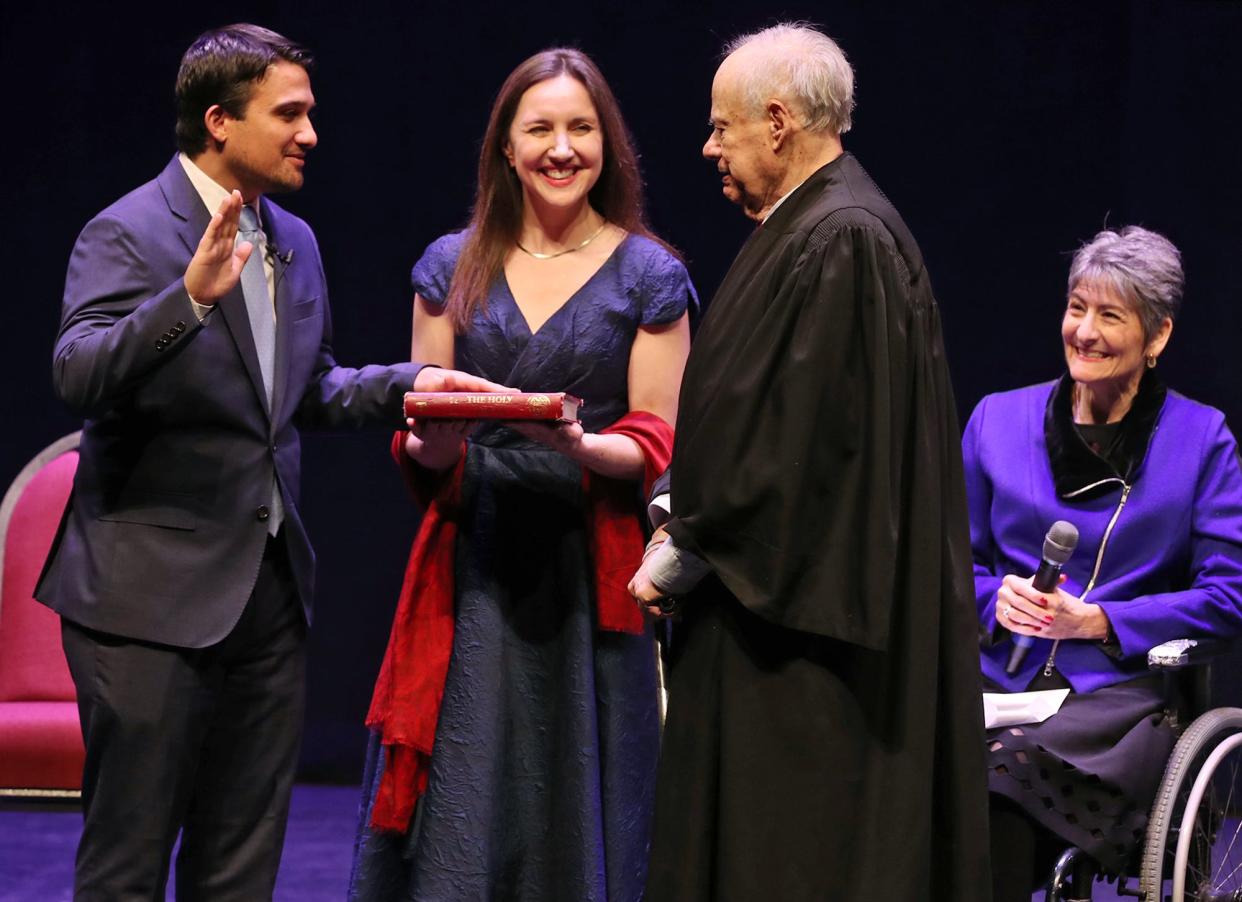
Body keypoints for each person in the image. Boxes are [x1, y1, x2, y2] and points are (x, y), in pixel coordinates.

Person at [35, 24, 500, 901]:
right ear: (218, 121)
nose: (310, 134)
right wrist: (187, 301)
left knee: (240, 862)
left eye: (310, 114)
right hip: (145, 604)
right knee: (127, 863)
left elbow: (303, 390)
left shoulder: (294, 238)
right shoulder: (129, 231)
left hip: (266, 594)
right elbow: (77, 374)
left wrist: (417, 382)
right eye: (288, 114)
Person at [628, 23, 991, 901]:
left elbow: (810, 454)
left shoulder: (842, 238)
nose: (710, 146)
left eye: (724, 127)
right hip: (769, 616)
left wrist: (685, 542)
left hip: (801, 647)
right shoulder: (814, 225)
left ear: (779, 121)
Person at [349, 48, 694, 901]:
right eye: (539, 128)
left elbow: (656, 439)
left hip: (591, 558)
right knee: (470, 771)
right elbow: (424, 434)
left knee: (583, 782)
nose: (561, 147)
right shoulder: (448, 265)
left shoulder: (650, 274)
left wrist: (576, 445)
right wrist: (430, 439)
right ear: (506, 147)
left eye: (581, 128)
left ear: (607, 146)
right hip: (475, 556)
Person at [963, 225, 1242, 900]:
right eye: (1076, 308)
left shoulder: (1201, 440)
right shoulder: (996, 422)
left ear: (1157, 337)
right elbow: (951, 564)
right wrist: (990, 597)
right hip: (995, 677)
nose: (1084, 331)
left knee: (1000, 776)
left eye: (1110, 315)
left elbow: (1229, 595)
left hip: (1115, 700)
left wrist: (1099, 621)